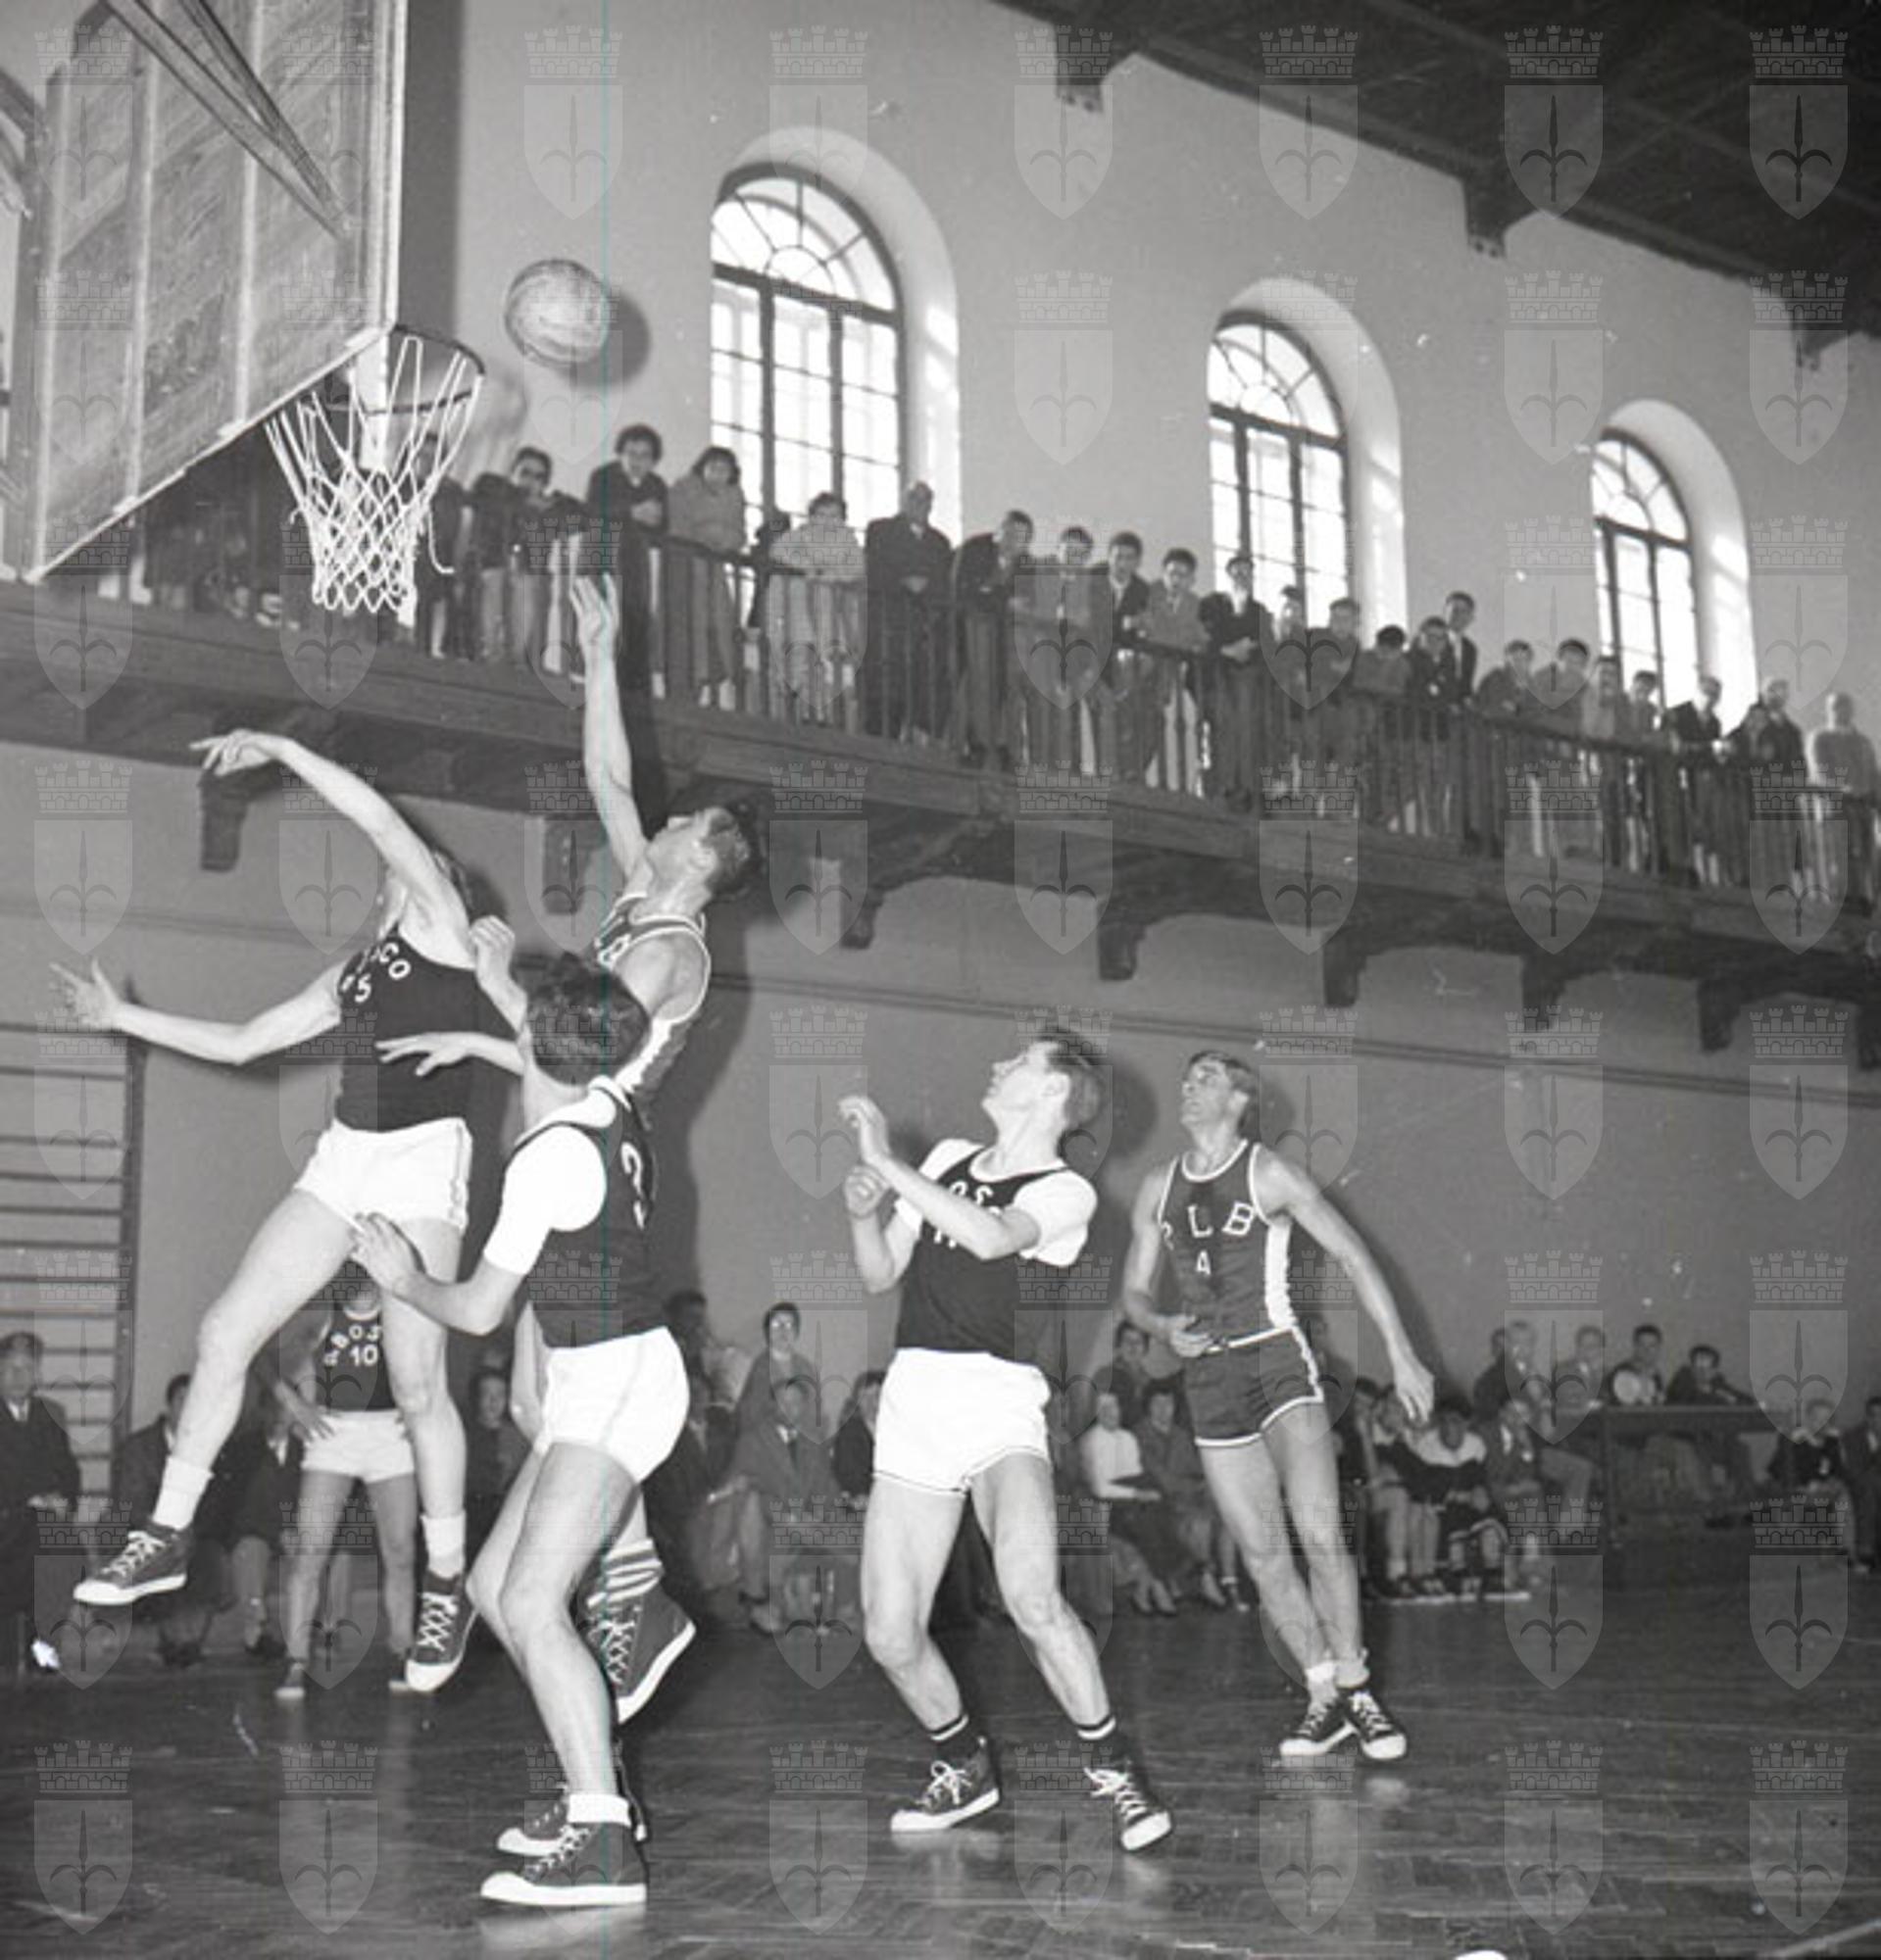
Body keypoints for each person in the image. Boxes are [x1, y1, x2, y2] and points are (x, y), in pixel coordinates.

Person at [379, 574, 761, 1726]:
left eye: (684, 824)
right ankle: (632, 1578)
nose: (663, 822)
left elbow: (578, 1051)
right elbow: (607, 778)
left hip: (596, 1142)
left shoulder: (671, 952)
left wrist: (494, 986)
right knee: (540, 1400)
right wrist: (600, 654)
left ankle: (635, 1584)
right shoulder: (648, 886)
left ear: (703, 857)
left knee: (564, 1382)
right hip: (567, 1117)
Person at [62, 731, 499, 1695]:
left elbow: (376, 817)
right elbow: (245, 1040)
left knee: (417, 1379)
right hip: (349, 1154)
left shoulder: (442, 925)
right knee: (225, 1330)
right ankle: (167, 1529)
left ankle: (446, 1579)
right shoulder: (355, 971)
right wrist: (123, 1018)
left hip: (422, 1161)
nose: (398, 870)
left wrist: (281, 747)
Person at [354, 958, 670, 1909]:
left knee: (532, 1600)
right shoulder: (611, 1102)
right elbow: (551, 1051)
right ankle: (596, 1787)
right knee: (495, 1590)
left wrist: (401, 1277)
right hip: (598, 1376)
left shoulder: (545, 1160)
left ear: (534, 1040)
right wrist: (478, 1038)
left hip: (615, 1379)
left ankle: (604, 1840)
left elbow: (480, 1310)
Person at [837, 1034, 1172, 1849]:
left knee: (1031, 1597)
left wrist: (885, 1162)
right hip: (915, 1399)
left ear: (1055, 1092)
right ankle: (963, 1766)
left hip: (996, 1405)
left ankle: (1115, 1771)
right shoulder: (947, 1158)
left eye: (1018, 1062)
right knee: (888, 1632)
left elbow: (990, 1237)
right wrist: (862, 1213)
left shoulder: (1067, 1193)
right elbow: (880, 1274)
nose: (996, 1066)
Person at [1118, 1051, 1435, 1758]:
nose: (1188, 1087)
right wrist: (1160, 1325)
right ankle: (1323, 1697)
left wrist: (1401, 1352)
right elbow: (1133, 1293)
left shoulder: (1269, 1174)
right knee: (1262, 1553)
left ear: (1239, 1099)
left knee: (1319, 1533)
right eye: (1185, 1078)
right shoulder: (1157, 1186)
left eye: (1205, 1078)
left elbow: (1353, 1255)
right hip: (1209, 1377)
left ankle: (1358, 1687)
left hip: (1276, 1362)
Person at [268, 1279, 421, 1698]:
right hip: (333, 1432)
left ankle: (403, 1650)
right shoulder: (321, 1313)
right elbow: (261, 1356)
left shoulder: (401, 1307)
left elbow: (433, 1359)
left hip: (390, 1432)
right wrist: (295, 1404)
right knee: (310, 1551)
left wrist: (422, 1411)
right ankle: (296, 1661)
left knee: (400, 1550)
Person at [0, 1331, 80, 1674]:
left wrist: (64, 1500)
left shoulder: (51, 1414)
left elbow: (69, 1470)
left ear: (38, 1374)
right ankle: (19, 1644)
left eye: (28, 1368)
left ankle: (43, 1641)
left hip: (40, 1523)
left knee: (61, 1545)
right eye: (10, 1367)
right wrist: (28, 1500)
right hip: (5, 1519)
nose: (19, 1376)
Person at [863, 480, 953, 741]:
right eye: (914, 498)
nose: (920, 505)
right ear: (903, 501)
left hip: (924, 630)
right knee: (886, 696)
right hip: (889, 625)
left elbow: (944, 583)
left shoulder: (940, 542)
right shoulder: (881, 530)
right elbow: (874, 570)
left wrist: (927, 588)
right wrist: (904, 582)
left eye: (926, 500)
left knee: (921, 694)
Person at [767, 491, 865, 728]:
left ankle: (821, 717)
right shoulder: (799, 538)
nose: (828, 522)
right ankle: (801, 714)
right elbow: (777, 550)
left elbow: (856, 569)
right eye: (822, 515)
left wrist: (829, 575)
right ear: (811, 518)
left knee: (829, 669)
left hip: (831, 619)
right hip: (800, 616)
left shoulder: (847, 543)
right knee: (800, 663)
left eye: (834, 516)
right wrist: (808, 566)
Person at [1078, 1388, 1180, 1615]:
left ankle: (1148, 1589)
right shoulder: (1091, 1441)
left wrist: (1140, 1493)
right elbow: (1100, 1488)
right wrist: (1137, 1494)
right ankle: (1160, 1584)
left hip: (1132, 1502)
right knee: (1146, 1520)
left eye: (1113, 1406)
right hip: (1103, 1506)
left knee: (1154, 1515)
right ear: (1094, 1413)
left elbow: (1136, 1475)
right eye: (1103, 1408)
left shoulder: (1128, 1438)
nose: (1110, 1412)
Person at [583, 423, 668, 693]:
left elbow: (664, 526)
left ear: (653, 461)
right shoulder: (603, 476)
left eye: (644, 456)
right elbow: (592, 511)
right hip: (603, 555)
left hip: (636, 563)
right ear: (620, 454)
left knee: (635, 619)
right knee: (603, 617)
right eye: (631, 453)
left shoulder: (656, 484)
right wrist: (631, 512)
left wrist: (654, 519)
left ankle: (633, 687)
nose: (636, 461)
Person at [666, 446, 747, 703]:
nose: (717, 475)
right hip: (687, 568)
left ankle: (715, 684)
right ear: (702, 468)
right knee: (689, 622)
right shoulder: (684, 489)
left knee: (718, 624)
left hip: (715, 570)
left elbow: (739, 533)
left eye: (724, 470)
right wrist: (704, 535)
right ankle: (691, 684)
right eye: (712, 468)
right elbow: (677, 526)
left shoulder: (734, 495)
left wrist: (723, 539)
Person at [1198, 553, 1270, 809]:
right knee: (1224, 724)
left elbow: (1265, 645)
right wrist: (1227, 650)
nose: (1241, 578)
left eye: (1246, 574)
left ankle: (1246, 785)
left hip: (1247, 676)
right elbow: (1204, 637)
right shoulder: (1212, 603)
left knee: (1246, 724)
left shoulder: (1259, 611)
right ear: (1228, 575)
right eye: (1237, 573)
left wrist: (1246, 649)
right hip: (1216, 674)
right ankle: (1225, 783)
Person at [733, 1300, 824, 1440]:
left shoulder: (806, 1367)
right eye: (777, 1325)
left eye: (789, 1325)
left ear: (797, 1331)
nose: (783, 1331)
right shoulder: (758, 1368)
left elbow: (815, 1411)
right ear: (767, 1331)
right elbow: (750, 1415)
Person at [466, 1366, 529, 1557]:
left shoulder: (519, 1437)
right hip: (471, 1512)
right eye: (486, 1394)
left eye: (500, 1394)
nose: (493, 1401)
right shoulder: (464, 1434)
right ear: (477, 1397)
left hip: (504, 1512)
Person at [831, 1371, 885, 1501]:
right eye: (864, 1397)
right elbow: (851, 1476)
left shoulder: (895, 1430)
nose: (870, 1402)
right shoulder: (849, 1433)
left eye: (876, 1396)